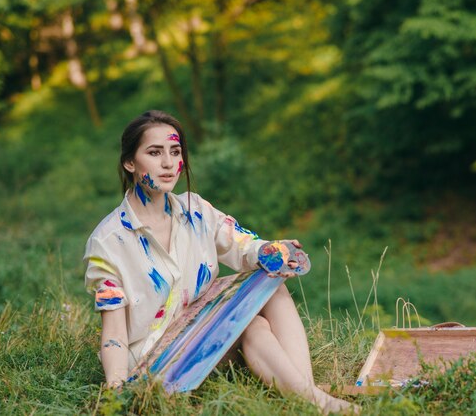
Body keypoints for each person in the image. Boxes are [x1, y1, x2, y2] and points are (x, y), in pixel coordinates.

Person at [83, 110, 357, 414]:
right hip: (155, 362)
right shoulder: (108, 241)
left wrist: (269, 250)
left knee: (270, 279)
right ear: (130, 162)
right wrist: (117, 390)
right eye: (154, 152)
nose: (168, 163)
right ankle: (317, 402)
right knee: (251, 326)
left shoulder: (195, 209)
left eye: (175, 152)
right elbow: (114, 333)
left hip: (200, 329)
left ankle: (307, 392)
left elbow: (243, 245)